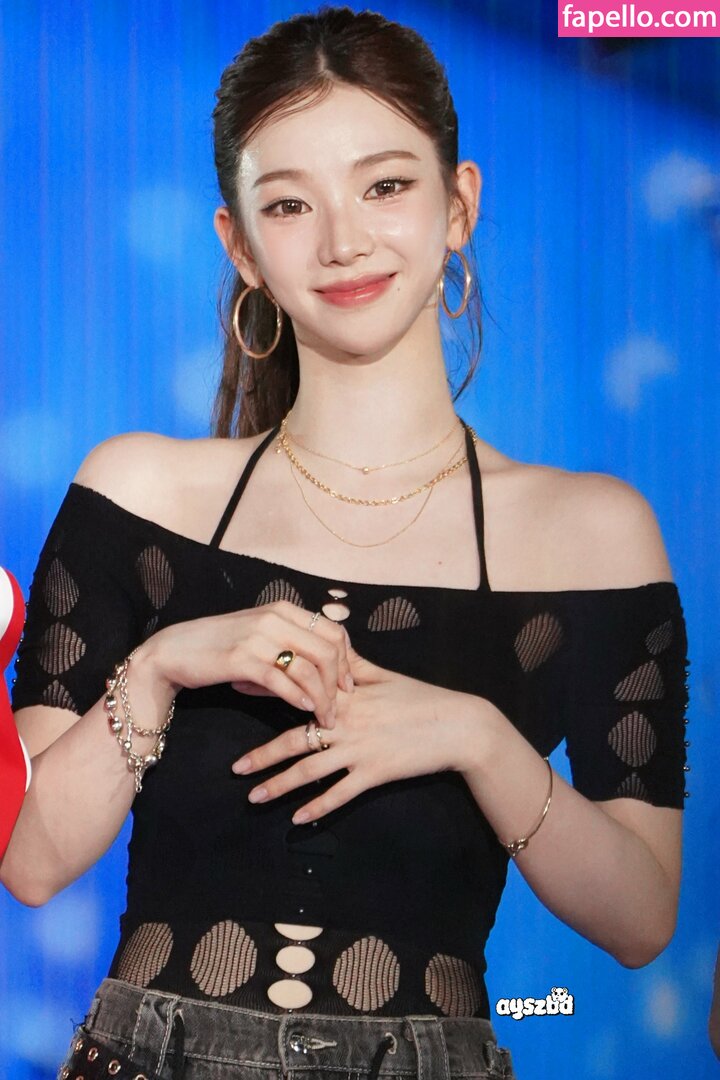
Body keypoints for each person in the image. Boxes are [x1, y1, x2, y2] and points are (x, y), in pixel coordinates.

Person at [2, 6, 691, 1079]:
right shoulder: (140, 492)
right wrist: (164, 665)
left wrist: (479, 739)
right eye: (289, 203)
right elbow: (31, 861)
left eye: (385, 186)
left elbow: (643, 918)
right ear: (239, 243)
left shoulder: (591, 532)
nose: (342, 241)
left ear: (459, 204)